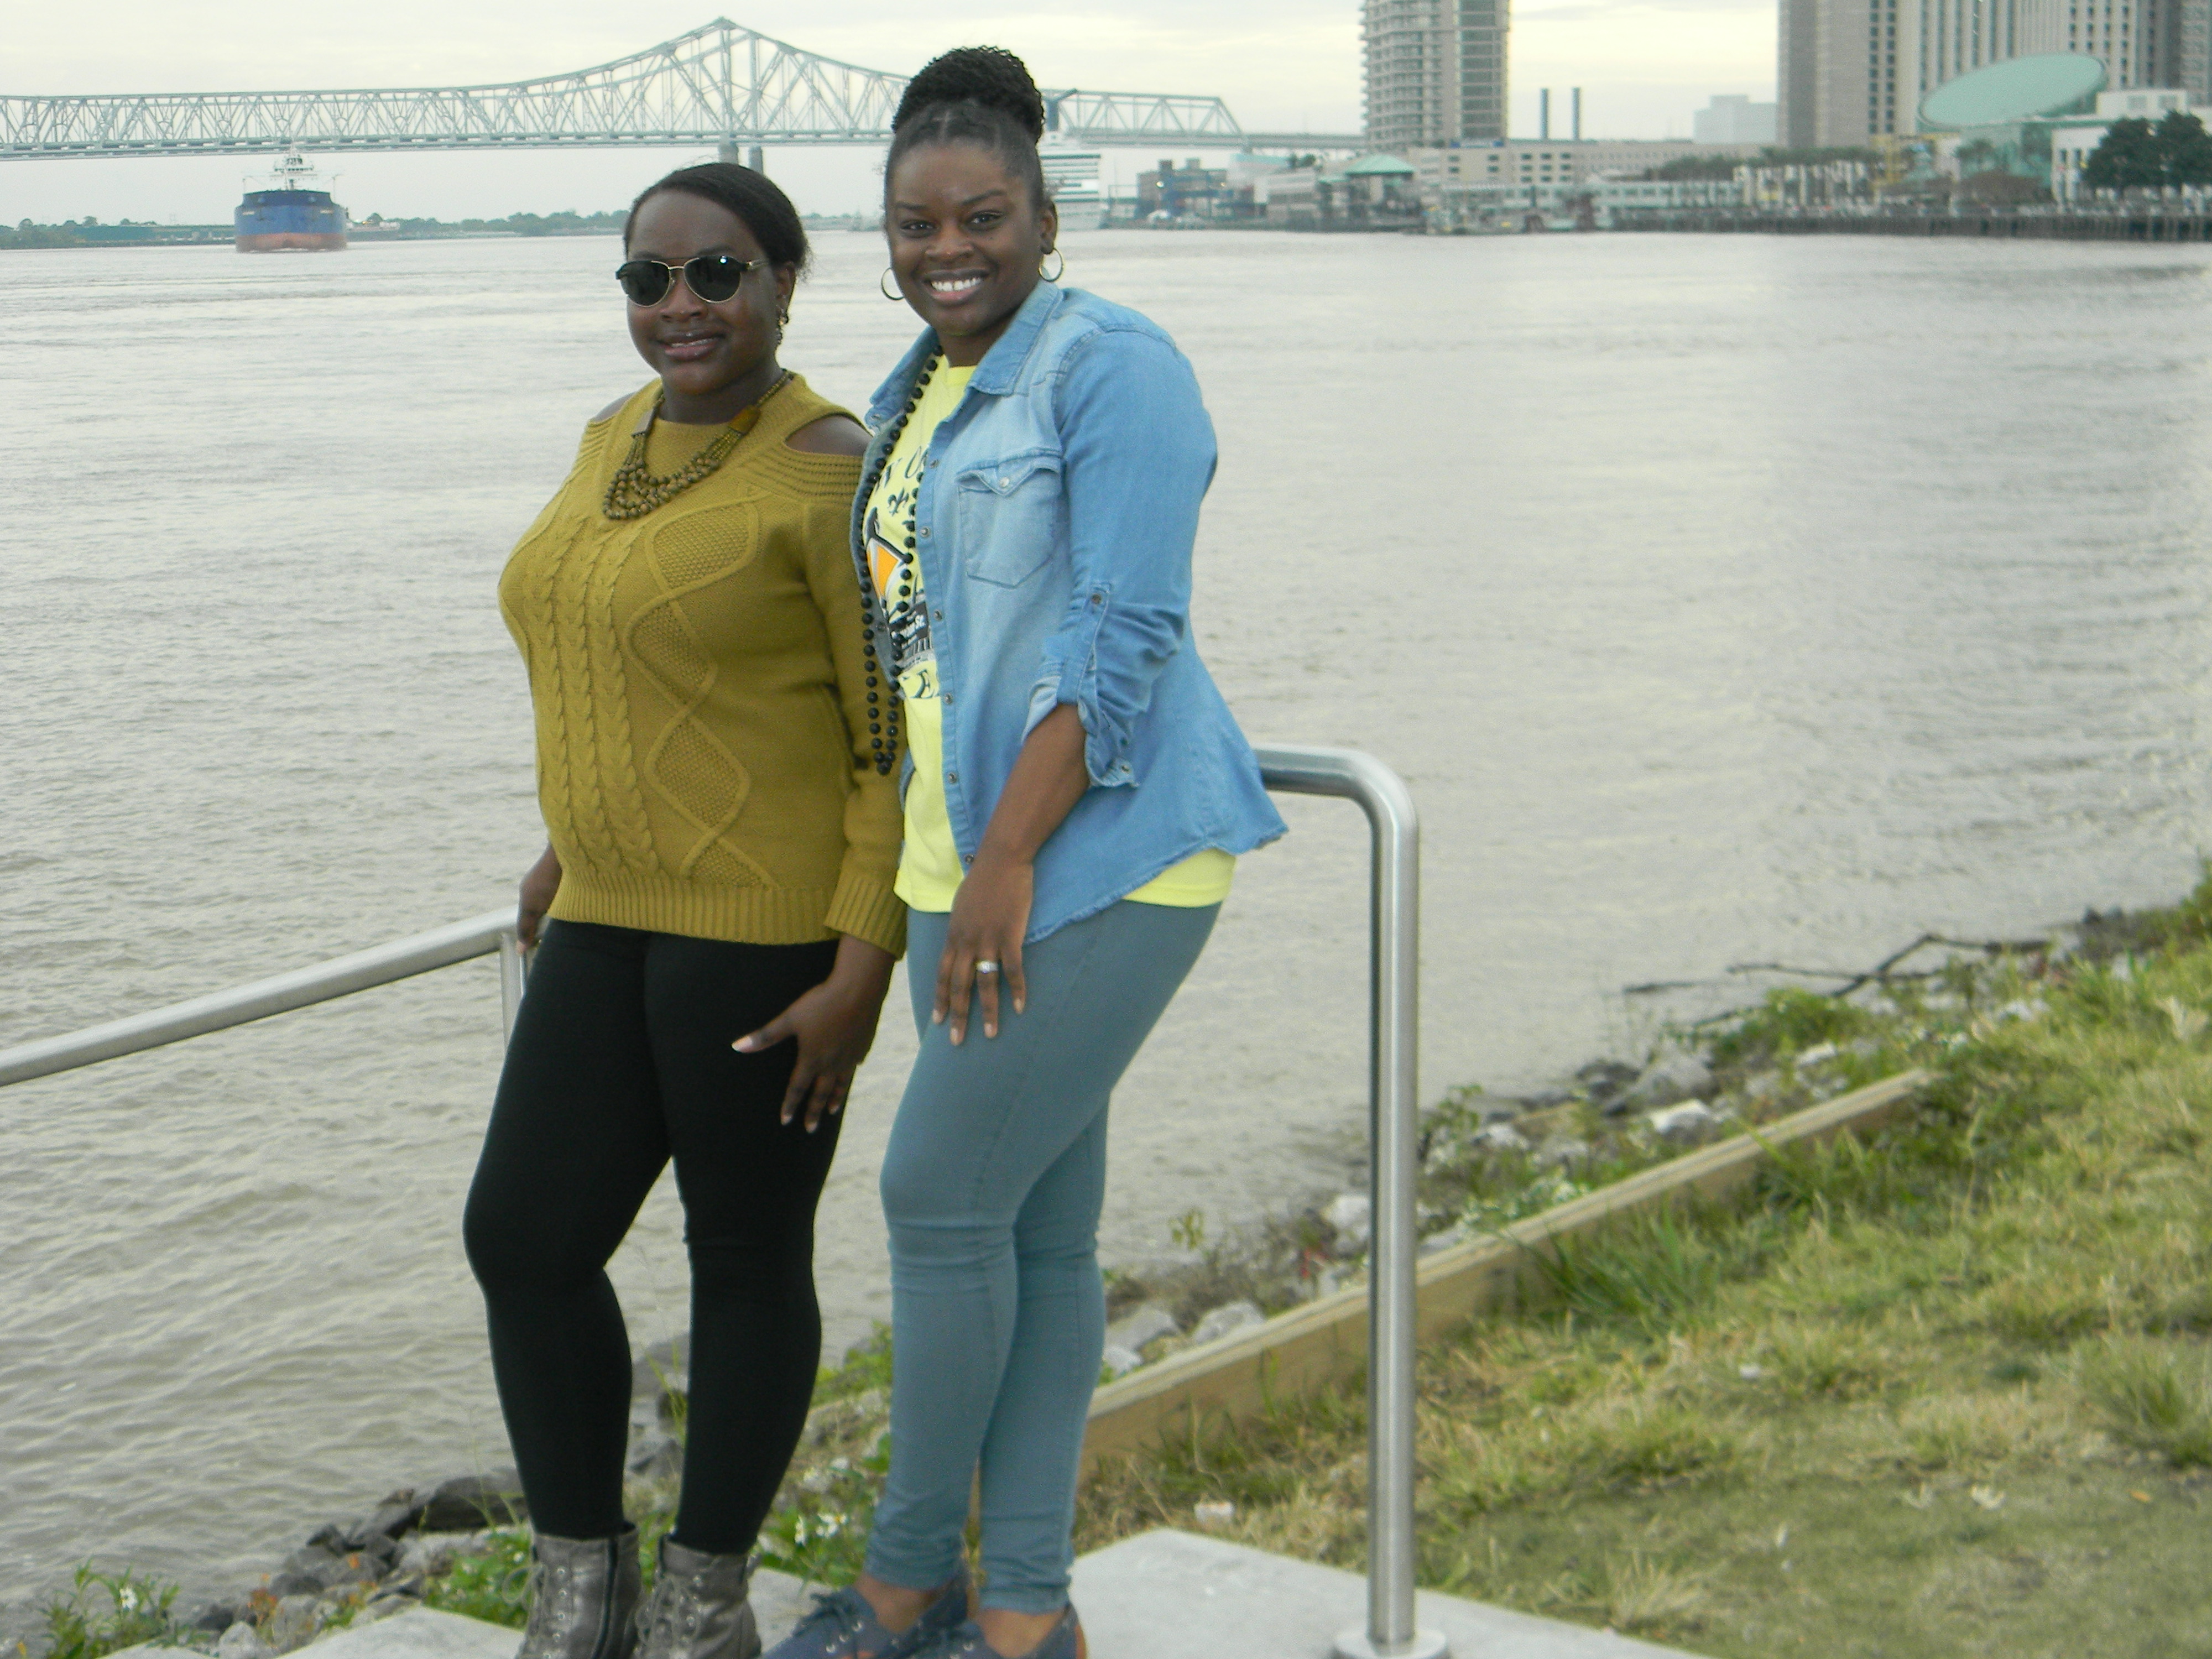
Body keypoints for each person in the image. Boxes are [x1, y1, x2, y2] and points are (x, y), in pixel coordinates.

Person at [767, 48, 1285, 1659]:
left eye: (982, 217)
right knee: (1040, 1236)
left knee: (934, 1201)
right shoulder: (916, 392)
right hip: (955, 867)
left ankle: (904, 1583)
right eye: (916, 226)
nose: (948, 250)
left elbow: (1125, 631)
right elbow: (925, 630)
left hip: (1096, 860)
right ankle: (1024, 1612)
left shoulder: (1116, 368)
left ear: (1045, 218)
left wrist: (1004, 861)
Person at [466, 162, 905, 1659]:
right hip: (605, 906)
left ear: (785, 283)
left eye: (717, 273)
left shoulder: (835, 469)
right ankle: (583, 1589)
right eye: (648, 278)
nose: (680, 305)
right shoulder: (613, 436)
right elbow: (613, 652)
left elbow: (891, 738)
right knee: (523, 1238)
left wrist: (864, 962)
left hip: (768, 933)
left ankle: (704, 1601)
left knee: (745, 1257)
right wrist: (567, 841)